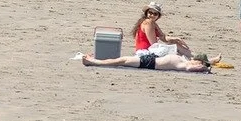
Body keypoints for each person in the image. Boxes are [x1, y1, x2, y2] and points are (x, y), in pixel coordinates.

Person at [78, 45, 210, 72]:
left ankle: (93, 62)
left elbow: (197, 68)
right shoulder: (185, 60)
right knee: (122, 60)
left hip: (150, 63)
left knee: (122, 61)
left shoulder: (187, 65)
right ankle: (93, 61)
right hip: (150, 59)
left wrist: (206, 68)